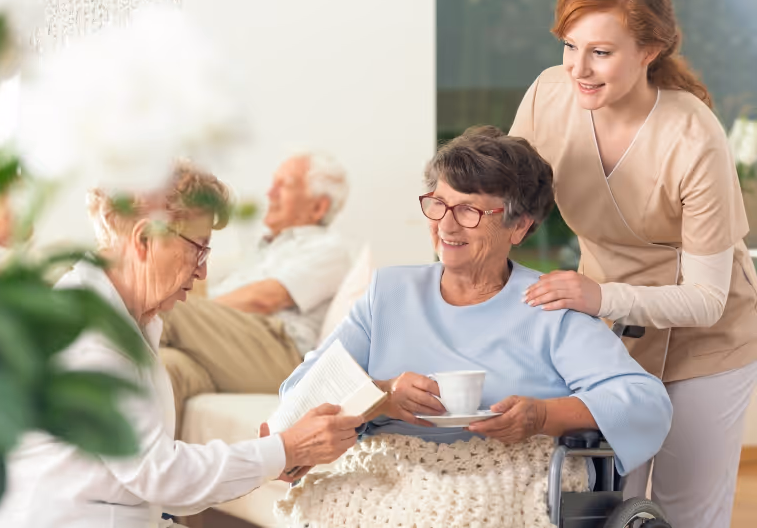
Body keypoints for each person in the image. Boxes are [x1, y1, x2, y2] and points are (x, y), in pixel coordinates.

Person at [274, 127, 672, 526]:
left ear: (519, 226)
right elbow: (301, 391)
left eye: (469, 211)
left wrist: (542, 417)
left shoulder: (548, 304)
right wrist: (384, 395)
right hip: (388, 465)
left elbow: (646, 403)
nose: (446, 226)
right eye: (439, 204)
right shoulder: (389, 294)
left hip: (504, 469)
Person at [0, 160, 363, 528]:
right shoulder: (89, 332)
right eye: (198, 248)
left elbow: (151, 481)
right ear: (145, 240)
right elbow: (160, 476)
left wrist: (274, 455)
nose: (204, 268)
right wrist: (284, 450)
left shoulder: (132, 319)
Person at [508, 0, 757, 527]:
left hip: (707, 338)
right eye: (570, 46)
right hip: (609, 331)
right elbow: (508, 201)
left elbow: (708, 300)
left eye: (600, 52)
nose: (578, 68)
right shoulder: (549, 96)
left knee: (685, 513)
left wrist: (598, 295)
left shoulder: (694, 137)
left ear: (650, 49)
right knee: (603, 504)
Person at [159, 152, 352, 433]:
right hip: (230, 350)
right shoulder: (261, 250)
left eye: (283, 185)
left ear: (318, 207)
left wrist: (197, 316)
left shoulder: (329, 248)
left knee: (168, 305)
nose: (269, 193)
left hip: (278, 352)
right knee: (165, 366)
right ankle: (151, 471)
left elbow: (263, 299)